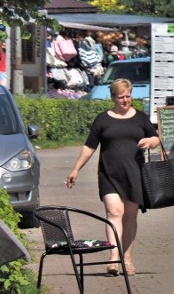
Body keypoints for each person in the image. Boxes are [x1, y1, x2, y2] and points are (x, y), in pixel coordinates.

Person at [66, 79, 160, 276]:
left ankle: (127, 259)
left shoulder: (140, 118)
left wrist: (151, 142)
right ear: (113, 98)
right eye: (121, 97)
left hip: (134, 173)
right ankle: (114, 258)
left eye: (128, 96)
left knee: (130, 215)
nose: (125, 100)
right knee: (114, 212)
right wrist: (76, 169)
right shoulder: (103, 120)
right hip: (109, 173)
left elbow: (156, 137)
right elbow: (89, 146)